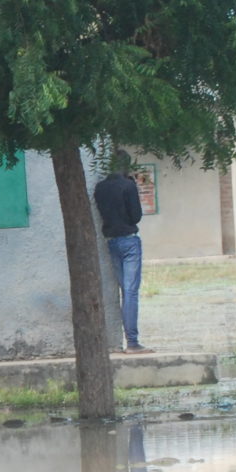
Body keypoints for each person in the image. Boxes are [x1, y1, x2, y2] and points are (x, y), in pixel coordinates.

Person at [93, 150, 150, 354]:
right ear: (125, 166)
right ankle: (133, 342)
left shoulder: (100, 187)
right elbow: (136, 216)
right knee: (131, 292)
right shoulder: (128, 185)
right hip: (129, 241)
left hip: (111, 242)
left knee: (124, 290)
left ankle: (130, 340)